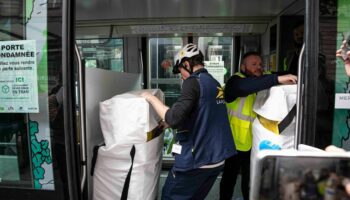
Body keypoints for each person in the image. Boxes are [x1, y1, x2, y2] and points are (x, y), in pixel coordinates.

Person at [141, 43, 237, 200]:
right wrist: (170, 123)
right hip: (216, 159)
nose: (182, 76)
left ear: (186, 64)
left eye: (181, 71)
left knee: (170, 196)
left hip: (197, 160)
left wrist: (150, 98)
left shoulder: (193, 82)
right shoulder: (213, 82)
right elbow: (203, 113)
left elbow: (173, 117)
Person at [220, 51, 297, 200]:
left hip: (257, 141)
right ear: (243, 67)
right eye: (253, 65)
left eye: (260, 64)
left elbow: (286, 74)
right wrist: (277, 79)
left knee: (251, 180)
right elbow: (244, 87)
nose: (258, 67)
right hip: (235, 142)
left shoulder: (265, 76)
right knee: (229, 178)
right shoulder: (235, 81)